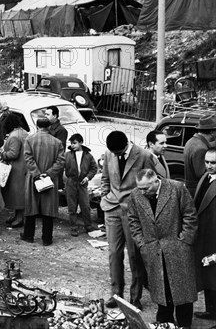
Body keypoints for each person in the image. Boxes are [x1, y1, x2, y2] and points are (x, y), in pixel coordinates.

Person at [128, 169, 197, 329]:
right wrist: (142, 243)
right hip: (153, 250)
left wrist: (185, 240)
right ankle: (165, 323)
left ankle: (185, 324)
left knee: (182, 292)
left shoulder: (177, 188)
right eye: (140, 188)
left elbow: (190, 215)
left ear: (155, 181)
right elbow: (133, 220)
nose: (143, 192)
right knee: (161, 290)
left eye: (146, 188)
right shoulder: (136, 194)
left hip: (178, 249)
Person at [101, 130, 153, 309]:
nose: (115, 155)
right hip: (112, 208)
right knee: (114, 253)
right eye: (113, 153)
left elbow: (151, 183)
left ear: (126, 145)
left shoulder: (144, 155)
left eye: (118, 152)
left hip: (134, 213)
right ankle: (115, 295)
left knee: (134, 255)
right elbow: (105, 178)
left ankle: (135, 298)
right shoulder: (109, 153)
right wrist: (104, 195)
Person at [20, 118, 65, 246]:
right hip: (50, 179)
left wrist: (37, 174)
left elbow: (28, 158)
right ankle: (47, 238)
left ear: (37, 126)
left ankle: (28, 235)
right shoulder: (57, 142)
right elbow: (61, 161)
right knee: (48, 208)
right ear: (49, 127)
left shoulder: (29, 140)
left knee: (31, 206)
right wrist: (49, 173)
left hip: (33, 178)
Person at [193, 148, 216, 321]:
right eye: (207, 162)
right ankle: (211, 311)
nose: (209, 166)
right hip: (204, 236)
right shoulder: (205, 177)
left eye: (213, 163)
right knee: (208, 277)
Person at [64, 133, 98, 236]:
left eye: (75, 143)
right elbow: (62, 166)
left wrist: (87, 178)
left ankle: (88, 226)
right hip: (71, 182)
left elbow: (94, 168)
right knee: (72, 206)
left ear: (81, 143)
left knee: (85, 205)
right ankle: (73, 227)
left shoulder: (88, 156)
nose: (73, 145)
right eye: (71, 143)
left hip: (83, 184)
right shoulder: (67, 155)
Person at [0, 113, 29, 228]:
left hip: (16, 169)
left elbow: (13, 153)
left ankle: (19, 218)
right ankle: (17, 216)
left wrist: (3, 154)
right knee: (20, 194)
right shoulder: (24, 133)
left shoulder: (14, 136)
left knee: (16, 195)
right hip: (23, 168)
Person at [184, 115, 216, 197]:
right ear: (212, 132)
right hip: (198, 191)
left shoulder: (191, 141)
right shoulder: (201, 148)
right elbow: (204, 174)